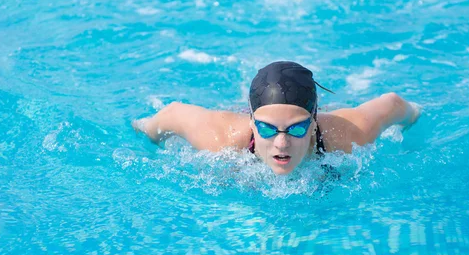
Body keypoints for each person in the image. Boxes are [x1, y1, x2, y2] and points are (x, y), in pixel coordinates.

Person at [132, 61, 421, 175]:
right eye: (268, 130)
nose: (281, 143)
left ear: (313, 123)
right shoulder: (221, 137)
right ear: (252, 125)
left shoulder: (347, 134)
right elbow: (169, 115)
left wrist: (414, 120)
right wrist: (143, 132)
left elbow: (394, 104)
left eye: (296, 129)